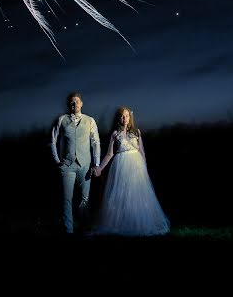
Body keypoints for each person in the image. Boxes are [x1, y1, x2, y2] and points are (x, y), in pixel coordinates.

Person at [94, 106, 170, 236]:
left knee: (137, 194)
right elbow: (109, 154)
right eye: (122, 116)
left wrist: (144, 169)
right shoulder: (115, 134)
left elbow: (142, 151)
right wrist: (100, 168)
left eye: (127, 116)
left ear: (130, 117)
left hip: (136, 166)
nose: (124, 118)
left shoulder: (136, 132)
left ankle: (139, 223)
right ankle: (124, 223)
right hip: (121, 165)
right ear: (118, 118)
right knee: (123, 195)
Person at [50, 91, 101, 234]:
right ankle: (69, 230)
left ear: (81, 104)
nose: (74, 104)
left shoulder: (90, 120)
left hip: (85, 165)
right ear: (68, 105)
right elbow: (53, 141)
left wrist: (96, 163)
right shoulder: (61, 119)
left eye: (77, 101)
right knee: (66, 199)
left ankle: (84, 228)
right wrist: (57, 160)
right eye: (72, 102)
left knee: (85, 199)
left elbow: (95, 142)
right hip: (67, 166)